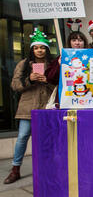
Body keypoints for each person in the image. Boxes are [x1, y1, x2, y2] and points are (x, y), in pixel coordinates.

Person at [4, 29, 55, 184]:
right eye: (36, 47)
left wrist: (48, 81)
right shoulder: (24, 64)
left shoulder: (52, 65)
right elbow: (15, 85)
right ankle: (15, 169)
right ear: (32, 49)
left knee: (47, 139)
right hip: (28, 107)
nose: (39, 50)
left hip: (47, 106)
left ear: (46, 49)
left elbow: (59, 87)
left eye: (42, 47)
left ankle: (48, 167)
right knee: (22, 137)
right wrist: (30, 79)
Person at [45, 30, 89, 106]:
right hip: (66, 98)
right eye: (74, 40)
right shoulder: (62, 58)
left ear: (84, 42)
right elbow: (50, 78)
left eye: (80, 40)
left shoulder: (90, 58)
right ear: (69, 42)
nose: (77, 43)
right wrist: (58, 65)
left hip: (86, 96)